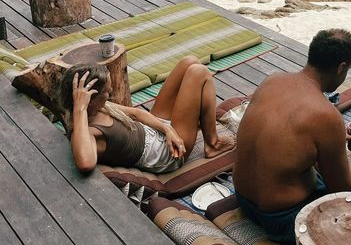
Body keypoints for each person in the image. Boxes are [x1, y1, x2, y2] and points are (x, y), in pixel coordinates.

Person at [233, 28, 351, 244]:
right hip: (284, 221)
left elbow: (286, 137)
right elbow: (344, 188)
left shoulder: (272, 81)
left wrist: (332, 139)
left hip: (244, 200)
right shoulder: (326, 115)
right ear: (341, 67)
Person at [59, 56, 234, 174]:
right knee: (199, 72)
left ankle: (190, 120)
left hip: (154, 130)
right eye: (107, 92)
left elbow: (135, 113)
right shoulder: (87, 132)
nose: (111, 93)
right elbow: (85, 163)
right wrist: (80, 110)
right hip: (166, 155)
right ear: (88, 99)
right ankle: (212, 143)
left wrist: (167, 129)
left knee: (190, 62)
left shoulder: (97, 107)